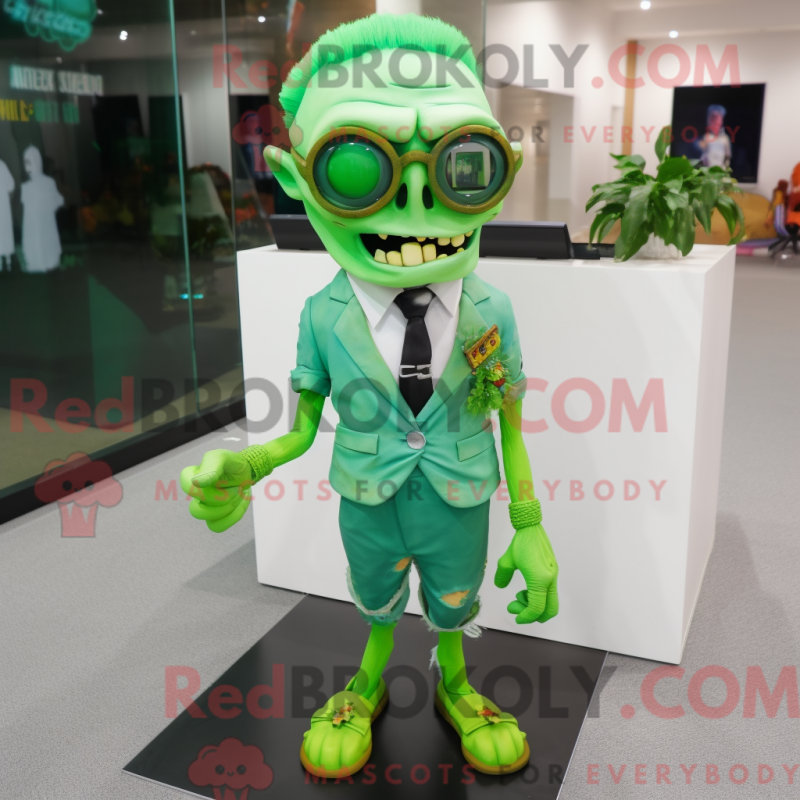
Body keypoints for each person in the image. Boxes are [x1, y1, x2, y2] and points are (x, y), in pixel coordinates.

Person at [181, 14, 559, 779]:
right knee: (377, 601)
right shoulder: (322, 316)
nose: (416, 205)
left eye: (463, 164)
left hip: (461, 497)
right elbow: (302, 430)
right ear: (298, 180)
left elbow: (512, 428)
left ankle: (455, 682)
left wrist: (530, 526)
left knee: (454, 600)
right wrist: (249, 466)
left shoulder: (494, 311)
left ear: (503, 168)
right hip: (367, 499)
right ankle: (367, 680)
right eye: (357, 168)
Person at [21, 145, 63, 273]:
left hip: (43, 224)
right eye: (25, 163)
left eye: (29, 163)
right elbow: (57, 201)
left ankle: (45, 261)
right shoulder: (27, 187)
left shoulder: (48, 183)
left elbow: (57, 201)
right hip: (34, 225)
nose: (28, 167)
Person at [698, 104, 731, 169]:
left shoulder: (725, 138)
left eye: (717, 119)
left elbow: (727, 157)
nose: (715, 122)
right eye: (712, 119)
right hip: (709, 171)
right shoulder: (706, 137)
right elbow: (702, 156)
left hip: (721, 171)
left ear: (721, 121)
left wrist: (725, 170)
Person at [0, 158, 14, 271]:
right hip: (3, 205)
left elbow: (11, 185)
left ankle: (8, 261)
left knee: (4, 232)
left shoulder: (1, 165)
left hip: (3, 206)